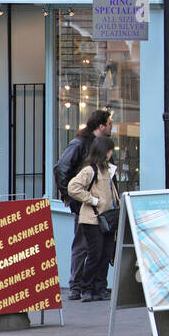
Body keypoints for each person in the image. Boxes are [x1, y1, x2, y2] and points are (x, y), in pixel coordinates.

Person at [53, 109, 113, 300]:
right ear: (101, 126)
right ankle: (77, 285)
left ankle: (95, 285)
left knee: (99, 248)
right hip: (85, 204)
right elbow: (61, 168)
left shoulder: (101, 146)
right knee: (82, 244)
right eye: (109, 123)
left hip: (101, 207)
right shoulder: (80, 143)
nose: (112, 126)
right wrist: (69, 197)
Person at [67, 136, 118, 302]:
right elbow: (73, 188)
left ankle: (100, 287)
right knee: (95, 254)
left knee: (106, 254)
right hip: (92, 218)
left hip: (108, 218)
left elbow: (112, 191)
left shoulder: (109, 170)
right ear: (105, 151)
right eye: (110, 150)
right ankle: (87, 288)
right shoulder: (90, 170)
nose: (111, 153)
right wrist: (93, 200)